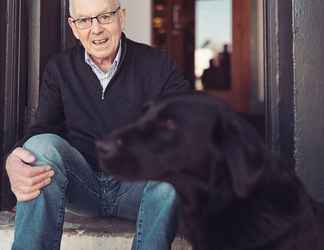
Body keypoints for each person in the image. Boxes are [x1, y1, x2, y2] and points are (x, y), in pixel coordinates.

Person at [5, 0, 190, 249]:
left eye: (105, 17)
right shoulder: (59, 68)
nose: (96, 29)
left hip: (137, 189)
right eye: (84, 20)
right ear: (73, 27)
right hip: (82, 187)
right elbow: (42, 131)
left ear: (121, 17)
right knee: (40, 146)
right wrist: (12, 160)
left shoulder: (158, 64)